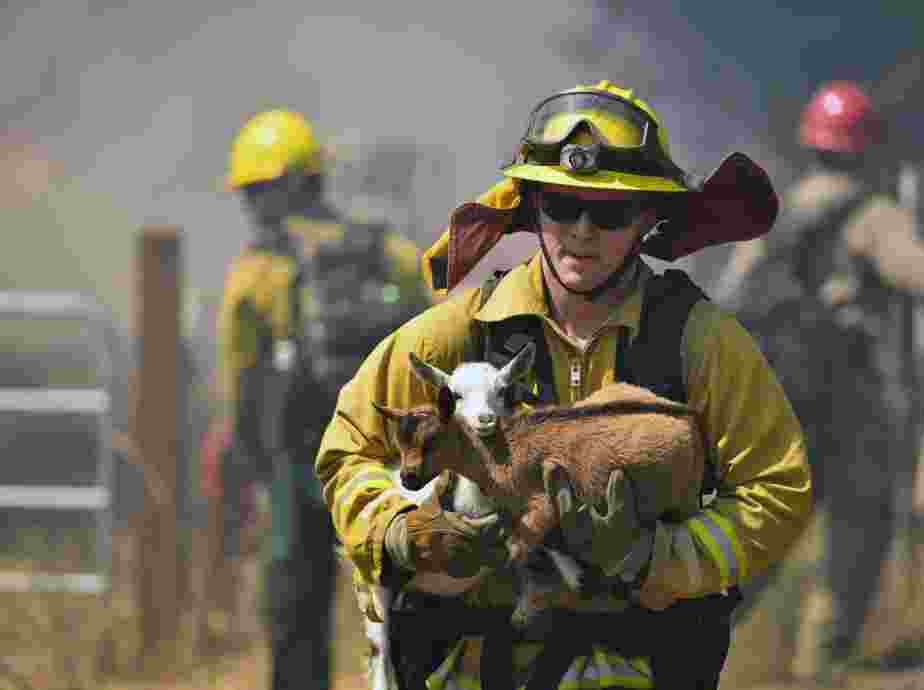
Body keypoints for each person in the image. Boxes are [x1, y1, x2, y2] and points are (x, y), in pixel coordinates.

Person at [316, 80, 812, 690]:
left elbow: (778, 488)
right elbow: (348, 449)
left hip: (642, 662)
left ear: (647, 217)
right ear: (531, 207)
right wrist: (399, 531)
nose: (581, 230)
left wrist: (660, 558)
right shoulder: (461, 330)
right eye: (560, 204)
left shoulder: (701, 342)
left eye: (608, 211)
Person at [714, 80, 924, 684]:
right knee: (859, 523)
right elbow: (923, 277)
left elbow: (732, 298)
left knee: (770, 528)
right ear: (866, 147)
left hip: (775, 397)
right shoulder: (870, 213)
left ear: (811, 143)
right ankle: (824, 662)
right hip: (846, 397)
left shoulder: (780, 214)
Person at [218, 109, 430, 690]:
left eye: (251, 194)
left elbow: (239, 370)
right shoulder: (389, 252)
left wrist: (249, 455)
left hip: (298, 456)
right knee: (403, 601)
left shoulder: (258, 272)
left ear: (269, 192)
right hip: (384, 453)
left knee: (296, 607)